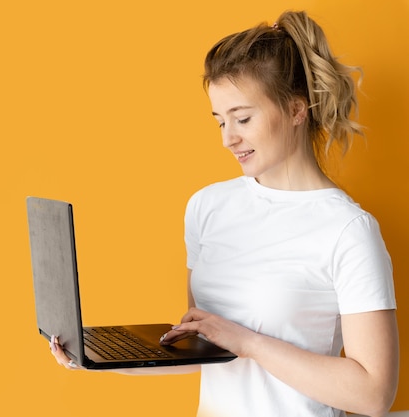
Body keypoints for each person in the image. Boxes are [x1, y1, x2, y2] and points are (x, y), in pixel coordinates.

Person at [49, 10, 398, 417]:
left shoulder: (348, 230)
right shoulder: (208, 206)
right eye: (219, 122)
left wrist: (249, 342)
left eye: (243, 118)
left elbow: (374, 394)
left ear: (297, 109)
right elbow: (205, 347)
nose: (229, 139)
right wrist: (91, 355)